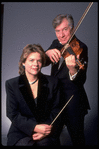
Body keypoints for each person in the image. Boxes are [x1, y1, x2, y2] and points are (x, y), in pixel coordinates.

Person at [45, 14, 90, 146]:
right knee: (52, 140)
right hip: (56, 103)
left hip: (73, 103)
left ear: (73, 28)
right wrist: (46, 53)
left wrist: (73, 70)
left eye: (65, 29)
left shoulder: (81, 47)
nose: (61, 35)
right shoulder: (55, 44)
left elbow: (81, 80)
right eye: (57, 31)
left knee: (78, 140)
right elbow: (43, 61)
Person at [6, 44, 62, 146]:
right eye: (31, 60)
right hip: (21, 132)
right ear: (23, 62)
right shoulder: (12, 84)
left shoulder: (53, 82)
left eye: (39, 60)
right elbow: (12, 113)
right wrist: (35, 127)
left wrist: (45, 131)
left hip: (46, 131)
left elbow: (56, 110)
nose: (35, 64)